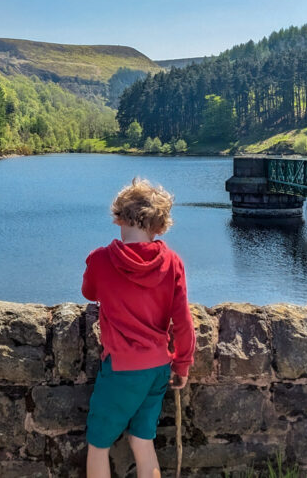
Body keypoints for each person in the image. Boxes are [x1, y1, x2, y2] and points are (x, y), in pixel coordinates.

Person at [82, 178, 195, 478]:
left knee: (98, 445)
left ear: (117, 217)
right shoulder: (173, 262)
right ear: (159, 227)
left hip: (121, 367)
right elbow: (183, 322)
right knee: (143, 441)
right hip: (158, 365)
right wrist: (182, 364)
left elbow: (89, 292)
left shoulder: (100, 260)